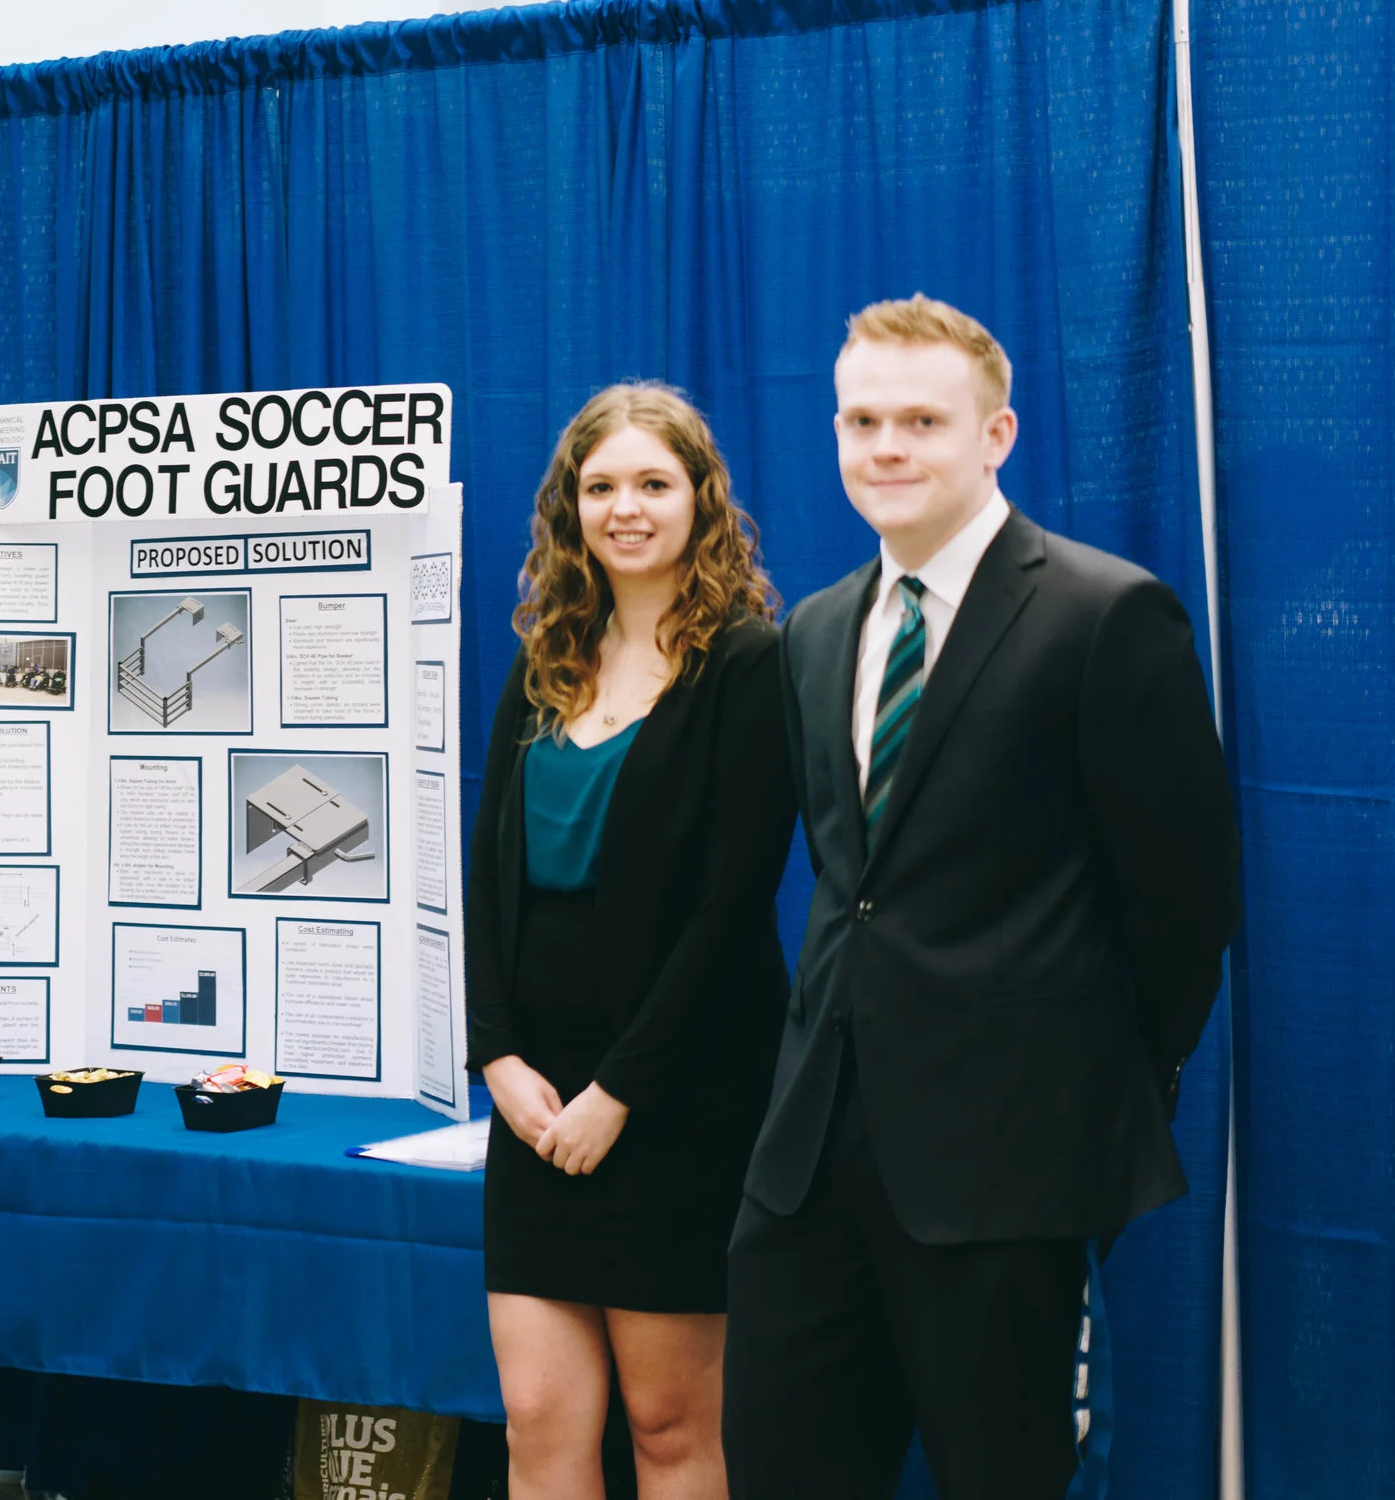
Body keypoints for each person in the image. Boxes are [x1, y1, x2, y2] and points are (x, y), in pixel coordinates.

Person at [723, 297, 1241, 1498]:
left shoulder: (1103, 614)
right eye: (861, 418)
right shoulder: (811, 631)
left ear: (996, 432)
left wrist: (1093, 1096)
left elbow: (1185, 902)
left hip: (1007, 1174)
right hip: (808, 1171)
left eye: (920, 419)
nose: (886, 445)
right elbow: (850, 888)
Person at [468, 384, 794, 1500]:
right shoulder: (541, 661)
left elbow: (730, 906)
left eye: (653, 483)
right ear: (570, 510)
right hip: (534, 1102)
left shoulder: (748, 664)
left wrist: (620, 1091)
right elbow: (484, 883)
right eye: (599, 486)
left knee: (667, 1429)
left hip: (676, 1100)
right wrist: (497, 1059)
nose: (625, 508)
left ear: (701, 502)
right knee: (536, 1421)